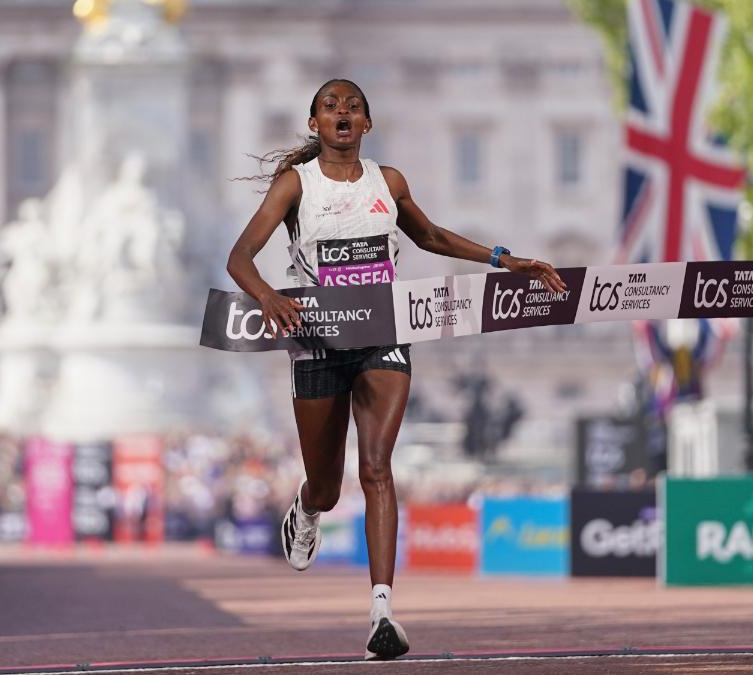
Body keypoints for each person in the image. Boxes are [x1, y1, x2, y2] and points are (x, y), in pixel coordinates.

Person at [225, 79, 566, 661]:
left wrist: (507, 261)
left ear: (367, 124)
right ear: (314, 124)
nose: (342, 113)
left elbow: (430, 237)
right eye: (330, 106)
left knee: (378, 467)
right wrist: (267, 297)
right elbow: (239, 258)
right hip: (316, 339)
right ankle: (306, 508)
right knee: (329, 486)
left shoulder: (389, 183)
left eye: (352, 107)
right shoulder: (294, 187)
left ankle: (382, 608)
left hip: (384, 332)